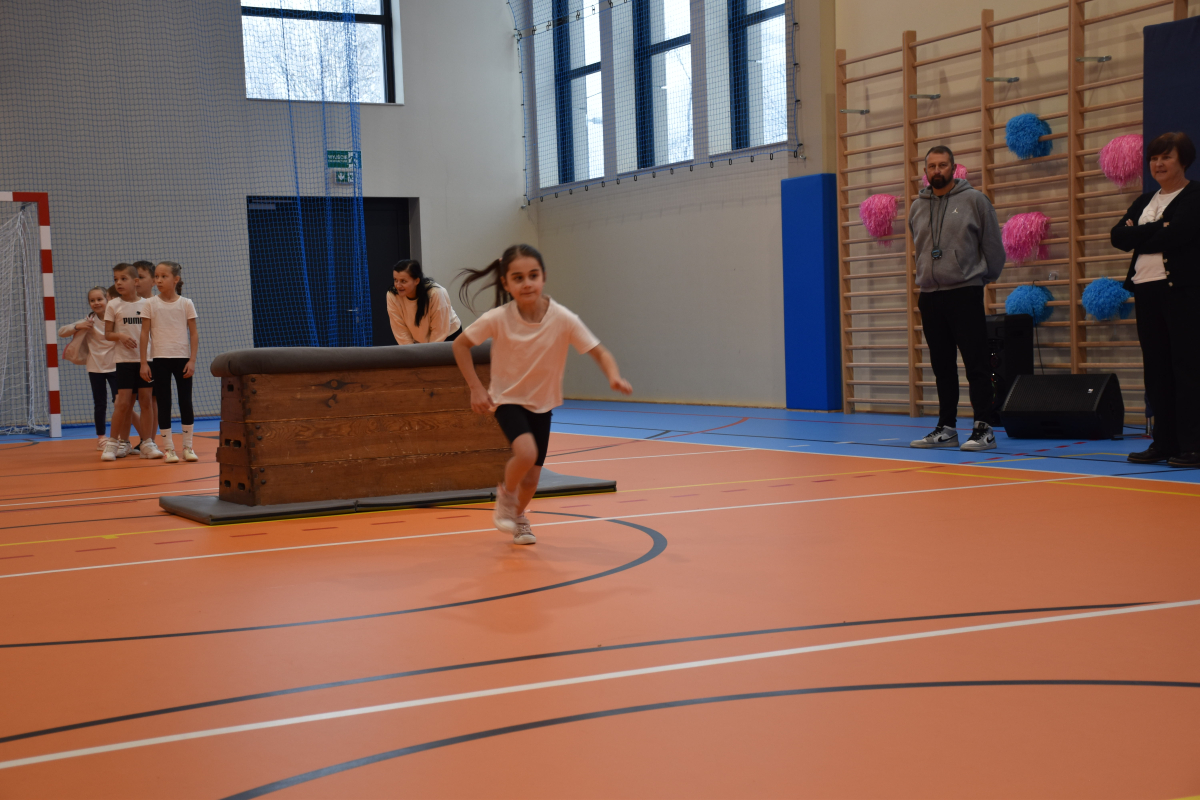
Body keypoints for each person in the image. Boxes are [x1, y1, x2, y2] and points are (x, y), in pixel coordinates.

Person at [452, 244, 632, 545]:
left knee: (533, 479)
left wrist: (613, 376)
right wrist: (475, 387)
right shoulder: (498, 317)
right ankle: (506, 496)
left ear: (544, 277)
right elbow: (460, 345)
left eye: (533, 276)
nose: (527, 283)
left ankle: (519, 517)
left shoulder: (562, 318)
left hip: (542, 404)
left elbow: (599, 351)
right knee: (526, 453)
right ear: (506, 283)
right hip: (507, 399)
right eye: (518, 278)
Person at [908, 145, 1006, 451]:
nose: (937, 170)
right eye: (932, 166)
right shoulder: (917, 206)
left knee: (976, 364)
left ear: (953, 168)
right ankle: (946, 428)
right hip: (930, 295)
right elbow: (920, 248)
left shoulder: (975, 200)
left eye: (942, 165)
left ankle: (983, 428)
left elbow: (994, 248)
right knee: (942, 366)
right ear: (925, 171)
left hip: (964, 293)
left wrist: (977, 279)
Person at [1112, 131, 1200, 467]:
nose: (1158, 164)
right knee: (1157, 369)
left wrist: (1140, 233)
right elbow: (1118, 237)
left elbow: (1179, 233)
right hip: (1146, 290)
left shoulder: (1194, 195)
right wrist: (1158, 227)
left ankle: (1193, 445)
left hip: (1181, 292)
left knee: (1187, 369)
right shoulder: (1145, 200)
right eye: (1153, 158)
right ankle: (1164, 442)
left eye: (1166, 157)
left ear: (1183, 161)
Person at [140, 261, 199, 463]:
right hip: (159, 360)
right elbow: (144, 334)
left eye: (163, 276)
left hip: (182, 359)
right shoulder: (150, 303)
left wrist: (192, 360)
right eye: (156, 276)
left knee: (185, 402)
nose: (158, 280)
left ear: (176, 279)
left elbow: (194, 333)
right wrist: (144, 363)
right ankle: (169, 449)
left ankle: (188, 447)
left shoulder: (186, 303)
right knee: (164, 402)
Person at [102, 263, 162, 461]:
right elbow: (107, 334)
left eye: (123, 279)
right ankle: (113, 443)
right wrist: (120, 336)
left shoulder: (148, 304)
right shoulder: (113, 305)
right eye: (115, 279)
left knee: (146, 401)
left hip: (147, 361)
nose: (118, 283)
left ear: (135, 281)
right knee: (123, 403)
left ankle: (147, 443)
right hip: (124, 361)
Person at [58, 287, 118, 450]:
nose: (96, 303)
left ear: (107, 300)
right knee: (100, 404)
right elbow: (61, 332)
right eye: (92, 300)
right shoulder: (88, 321)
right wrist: (78, 327)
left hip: (115, 367)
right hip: (95, 368)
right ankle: (101, 438)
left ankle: (118, 436)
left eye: (99, 299)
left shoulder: (116, 319)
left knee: (119, 403)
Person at [387, 259, 462, 344]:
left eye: (403, 281)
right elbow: (400, 329)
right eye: (395, 280)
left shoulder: (436, 293)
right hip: (422, 339)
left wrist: (428, 352)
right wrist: (409, 350)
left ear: (416, 281)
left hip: (449, 336)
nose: (398, 285)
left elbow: (439, 331)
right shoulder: (392, 295)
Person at [132, 260, 159, 447]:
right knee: (126, 401)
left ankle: (149, 441)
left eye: (141, 277)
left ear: (153, 281)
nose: (137, 281)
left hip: (153, 359)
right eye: (134, 278)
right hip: (131, 359)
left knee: (150, 400)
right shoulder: (127, 304)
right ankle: (140, 440)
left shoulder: (157, 304)